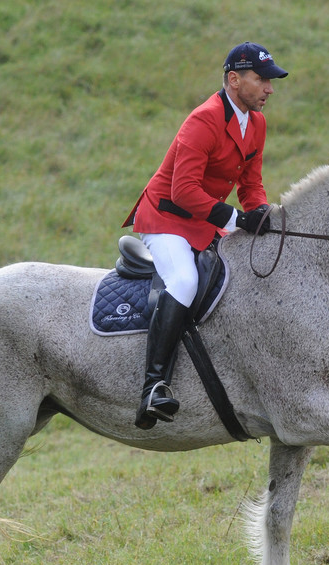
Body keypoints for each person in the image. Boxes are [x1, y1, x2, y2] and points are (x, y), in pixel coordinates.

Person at [122, 41, 288, 429]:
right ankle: (153, 386)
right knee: (183, 280)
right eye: (261, 79)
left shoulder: (257, 124)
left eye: (270, 80)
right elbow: (183, 191)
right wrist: (236, 219)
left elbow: (251, 185)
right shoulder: (204, 119)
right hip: (166, 218)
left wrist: (261, 211)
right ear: (234, 79)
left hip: (204, 221)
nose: (269, 88)